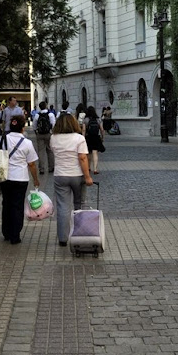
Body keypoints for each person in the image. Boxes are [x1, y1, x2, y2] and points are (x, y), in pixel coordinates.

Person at [0, 115, 39, 245]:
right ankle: (15, 235)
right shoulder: (27, 143)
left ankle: (6, 232)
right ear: (23, 128)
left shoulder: (2, 140)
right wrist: (36, 180)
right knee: (17, 206)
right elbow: (32, 164)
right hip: (21, 179)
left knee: (6, 204)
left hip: (5, 177)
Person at [50, 113, 93, 246]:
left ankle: (63, 238)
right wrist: (87, 177)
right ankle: (80, 234)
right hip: (77, 175)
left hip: (60, 175)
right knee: (80, 204)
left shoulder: (53, 138)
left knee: (63, 206)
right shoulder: (79, 138)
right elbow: (82, 158)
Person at [33, 101, 56, 174]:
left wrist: (36, 132)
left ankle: (41, 169)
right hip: (48, 134)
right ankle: (51, 167)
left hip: (40, 134)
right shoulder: (50, 115)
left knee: (40, 152)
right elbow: (53, 124)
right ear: (46, 106)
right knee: (50, 151)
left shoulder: (37, 115)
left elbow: (34, 125)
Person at [83, 106, 104, 174]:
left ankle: (89, 167)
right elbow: (102, 129)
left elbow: (83, 130)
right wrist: (102, 137)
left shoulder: (86, 119)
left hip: (88, 137)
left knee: (88, 153)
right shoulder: (98, 119)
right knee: (95, 153)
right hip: (96, 137)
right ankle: (95, 169)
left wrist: (83, 138)